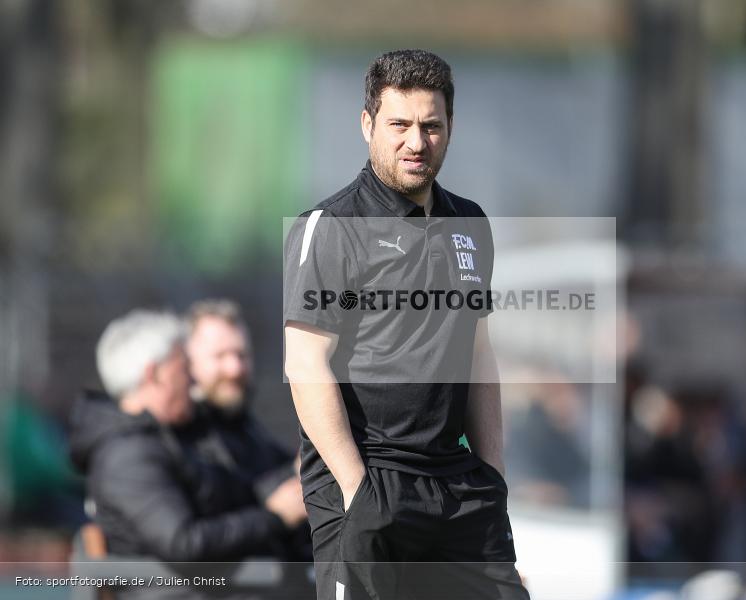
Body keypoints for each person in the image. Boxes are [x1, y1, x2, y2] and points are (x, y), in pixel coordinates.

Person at [283, 49, 529, 600]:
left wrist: (492, 476)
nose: (416, 142)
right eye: (399, 125)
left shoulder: (469, 222)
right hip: (370, 480)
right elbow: (305, 363)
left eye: (431, 126)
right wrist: (357, 489)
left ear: (450, 128)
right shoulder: (331, 226)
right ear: (367, 124)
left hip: (459, 487)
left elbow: (478, 354)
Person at [69, 310, 306, 598]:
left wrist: (293, 475)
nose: (193, 380)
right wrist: (275, 517)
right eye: (183, 367)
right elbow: (184, 544)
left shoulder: (174, 435)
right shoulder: (127, 455)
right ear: (154, 374)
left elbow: (241, 490)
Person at [185, 298, 312, 560]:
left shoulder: (248, 430)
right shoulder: (178, 438)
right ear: (187, 362)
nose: (235, 369)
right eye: (220, 356)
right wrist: (275, 514)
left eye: (241, 355)